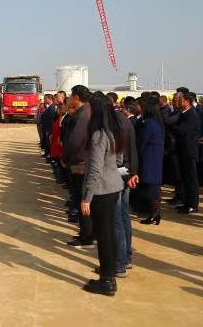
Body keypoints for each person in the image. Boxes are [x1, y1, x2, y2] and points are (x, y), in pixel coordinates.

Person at [81, 92, 125, 296]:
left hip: (101, 190)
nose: (87, 111)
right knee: (109, 233)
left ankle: (107, 280)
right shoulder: (112, 131)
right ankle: (109, 272)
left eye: (89, 108)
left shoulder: (98, 135)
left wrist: (87, 197)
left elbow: (95, 170)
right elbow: (118, 160)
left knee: (104, 236)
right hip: (113, 187)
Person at [64, 85, 93, 248]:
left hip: (80, 164)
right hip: (84, 161)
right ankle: (87, 233)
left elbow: (74, 142)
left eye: (70, 96)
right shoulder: (87, 111)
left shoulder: (82, 115)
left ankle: (86, 236)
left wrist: (65, 158)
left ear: (76, 97)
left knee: (81, 199)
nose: (68, 99)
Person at [113, 96, 138, 276]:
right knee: (123, 216)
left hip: (118, 176)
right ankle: (126, 257)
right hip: (126, 173)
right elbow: (133, 150)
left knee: (117, 220)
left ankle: (120, 262)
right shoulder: (125, 121)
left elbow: (118, 156)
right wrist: (133, 172)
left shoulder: (115, 124)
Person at [137, 97, 166, 225]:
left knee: (151, 189)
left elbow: (142, 142)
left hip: (149, 158)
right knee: (154, 188)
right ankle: (155, 214)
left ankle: (154, 215)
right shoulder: (154, 122)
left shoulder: (148, 123)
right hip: (154, 158)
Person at [171, 92, 201, 214]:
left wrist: (171, 126)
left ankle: (193, 204)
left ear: (187, 101)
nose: (179, 102)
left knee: (191, 178)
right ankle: (187, 202)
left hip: (189, 151)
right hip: (182, 150)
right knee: (185, 178)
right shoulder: (183, 114)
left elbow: (182, 130)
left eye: (181, 100)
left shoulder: (192, 115)